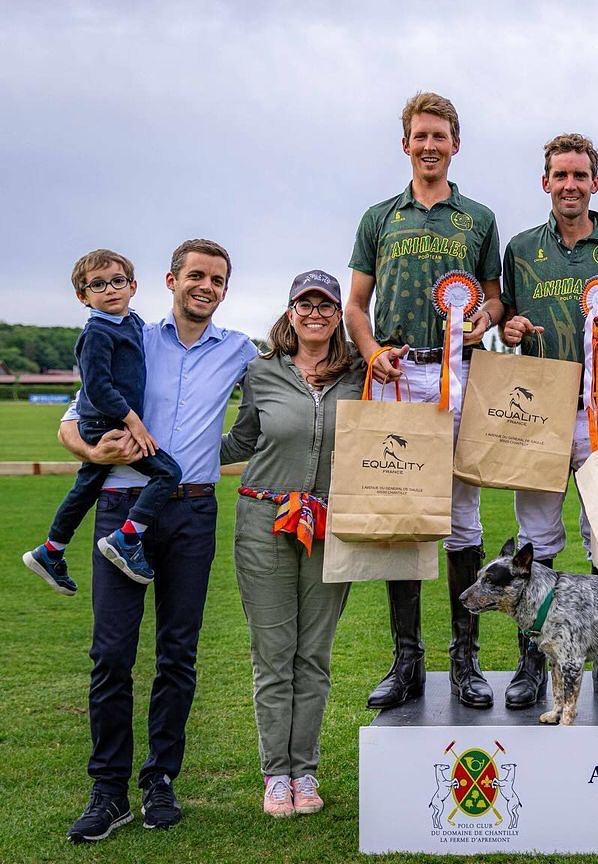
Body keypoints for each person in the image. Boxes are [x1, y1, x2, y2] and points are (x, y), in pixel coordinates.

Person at [58, 239, 256, 842]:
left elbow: (301, 380)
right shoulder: (130, 335)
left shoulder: (241, 350)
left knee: (178, 654)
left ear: (225, 289)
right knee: (111, 654)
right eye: (195, 275)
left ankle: (160, 778)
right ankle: (108, 790)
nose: (206, 286)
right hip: (123, 508)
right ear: (170, 279)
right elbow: (70, 420)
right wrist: (93, 450)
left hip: (193, 514)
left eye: (217, 279)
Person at [344, 92, 504, 711]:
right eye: (420, 136)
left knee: (463, 519)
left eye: (441, 136)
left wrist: (481, 320)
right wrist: (371, 349)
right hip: (399, 373)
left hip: (459, 376)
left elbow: (493, 300)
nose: (430, 145)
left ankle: (466, 657)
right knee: (404, 520)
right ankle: (406, 659)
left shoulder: (478, 218)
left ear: (455, 144)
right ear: (405, 143)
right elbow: (357, 306)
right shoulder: (379, 217)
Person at [500, 133, 598, 709]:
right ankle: (532, 662)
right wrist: (508, 328)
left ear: (596, 182)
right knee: (535, 541)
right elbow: (503, 316)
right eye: (560, 176)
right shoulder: (519, 249)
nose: (570, 185)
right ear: (546, 183)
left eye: (579, 176)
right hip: (535, 412)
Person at [221, 270, 361, 817]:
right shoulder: (261, 373)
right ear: (290, 311)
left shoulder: (357, 375)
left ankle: (305, 770)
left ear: (337, 316)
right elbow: (240, 440)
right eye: (305, 303)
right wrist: (169, 445)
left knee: (314, 656)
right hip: (264, 522)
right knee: (274, 655)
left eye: (326, 305)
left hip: (330, 526)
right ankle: (275, 774)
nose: (316, 313)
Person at [23, 250, 182, 594]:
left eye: (117, 281)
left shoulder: (132, 323)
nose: (110, 289)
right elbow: (97, 388)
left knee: (87, 487)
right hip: (107, 425)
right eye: (98, 284)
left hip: (110, 422)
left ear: (133, 286)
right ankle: (127, 538)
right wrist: (133, 422)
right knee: (168, 473)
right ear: (83, 296)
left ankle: (51, 551)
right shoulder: (96, 334)